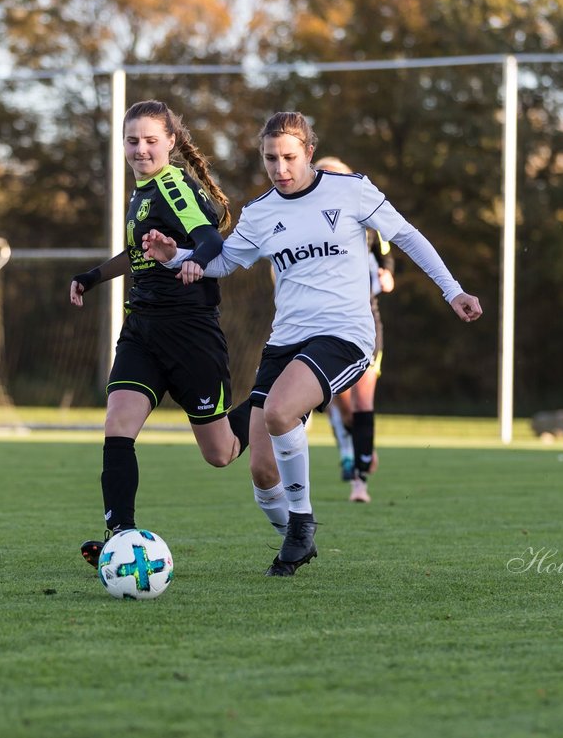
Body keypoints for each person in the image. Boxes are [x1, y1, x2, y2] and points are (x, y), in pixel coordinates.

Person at [143, 111, 482, 576]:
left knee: (281, 411)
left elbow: (407, 236)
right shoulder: (260, 213)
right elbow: (221, 263)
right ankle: (297, 538)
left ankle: (302, 525)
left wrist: (453, 289)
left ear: (308, 153)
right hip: (285, 342)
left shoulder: (349, 190)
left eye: (288, 157)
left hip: (345, 334)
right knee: (262, 471)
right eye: (269, 159)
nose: (279, 169)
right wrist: (173, 256)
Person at [69, 99, 253, 567]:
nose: (140, 149)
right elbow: (137, 255)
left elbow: (211, 239)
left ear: (171, 142)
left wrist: (193, 258)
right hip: (142, 331)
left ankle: (269, 403)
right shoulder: (141, 193)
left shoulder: (172, 185)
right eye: (132, 141)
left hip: (190, 333)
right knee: (117, 425)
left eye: (151, 140)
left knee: (221, 453)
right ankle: (120, 535)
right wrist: (91, 277)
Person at [312, 156, 394, 504]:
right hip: (323, 321)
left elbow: (387, 249)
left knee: (363, 401)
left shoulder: (366, 218)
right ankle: (354, 444)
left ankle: (359, 482)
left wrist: (387, 272)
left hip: (364, 319)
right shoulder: (307, 220)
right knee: (340, 404)